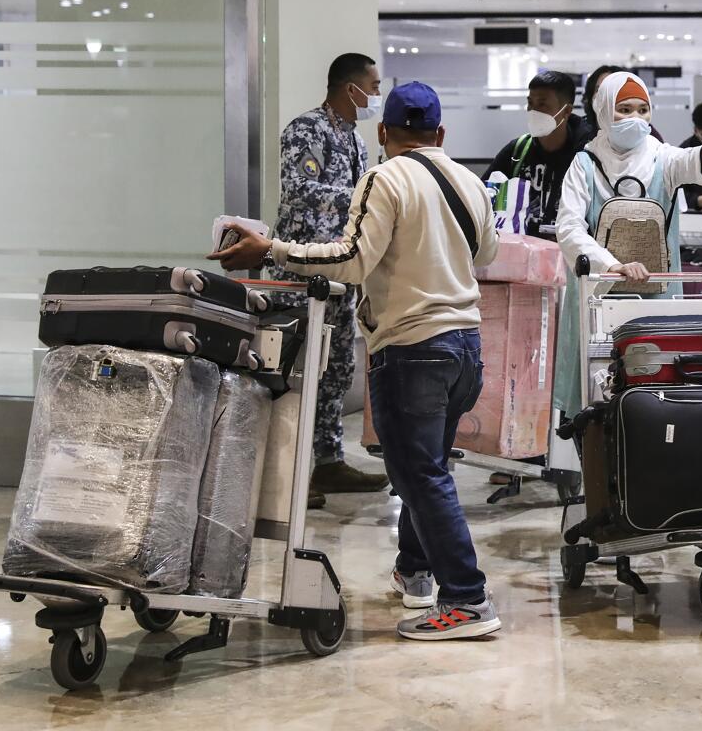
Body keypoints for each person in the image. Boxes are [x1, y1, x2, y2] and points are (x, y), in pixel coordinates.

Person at [211, 82, 503, 641]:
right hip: (466, 346)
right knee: (429, 470)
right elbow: (485, 253)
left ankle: (467, 599)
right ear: (441, 133)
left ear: (383, 133)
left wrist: (269, 250)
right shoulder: (470, 180)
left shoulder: (384, 177)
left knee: (419, 475)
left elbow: (349, 259)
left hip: (412, 346)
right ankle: (416, 574)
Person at [553, 71, 702, 420]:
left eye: (643, 110)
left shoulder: (662, 157)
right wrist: (610, 264)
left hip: (656, 298)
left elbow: (692, 161)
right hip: (598, 297)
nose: (635, 119)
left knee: (655, 395)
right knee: (596, 400)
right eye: (624, 109)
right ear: (603, 111)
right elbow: (569, 227)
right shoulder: (584, 164)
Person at [271, 52, 389, 506]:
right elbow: (300, 191)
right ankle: (290, 473)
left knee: (337, 371)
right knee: (299, 371)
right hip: (300, 271)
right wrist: (366, 195)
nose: (376, 95)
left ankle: (327, 462)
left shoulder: (356, 142)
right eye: (373, 87)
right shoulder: (307, 131)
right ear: (349, 88)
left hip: (341, 274)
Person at [483, 71, 587, 238]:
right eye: (530, 103)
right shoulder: (518, 150)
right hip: (521, 253)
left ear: (566, 111)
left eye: (542, 104)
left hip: (568, 255)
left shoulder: (585, 155)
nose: (533, 111)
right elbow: (482, 197)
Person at [580, 64, 664, 144]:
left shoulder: (645, 132)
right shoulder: (580, 131)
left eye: (614, 89)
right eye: (600, 90)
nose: (606, 96)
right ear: (590, 96)